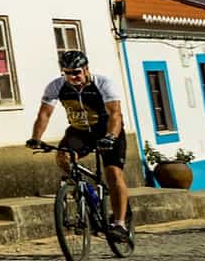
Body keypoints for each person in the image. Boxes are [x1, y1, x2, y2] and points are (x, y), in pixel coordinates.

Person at [27, 50, 130, 239]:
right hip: (79, 131)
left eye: (76, 72)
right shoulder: (56, 87)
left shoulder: (103, 84)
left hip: (106, 130)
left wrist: (111, 137)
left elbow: (115, 114)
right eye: (68, 73)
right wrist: (36, 138)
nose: (73, 77)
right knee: (62, 157)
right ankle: (87, 192)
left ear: (86, 69)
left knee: (114, 173)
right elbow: (44, 114)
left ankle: (120, 224)